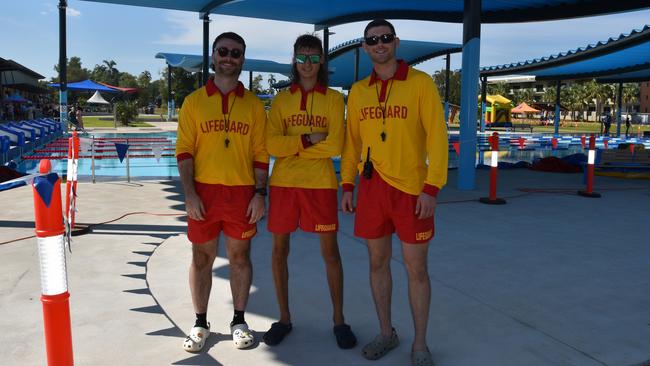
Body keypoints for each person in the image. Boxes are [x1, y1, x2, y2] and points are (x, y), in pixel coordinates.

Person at [340, 19, 448, 366]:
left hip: (412, 191)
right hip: (372, 189)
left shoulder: (420, 84)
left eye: (385, 38)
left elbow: (437, 138)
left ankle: (420, 345)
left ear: (396, 42)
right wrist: (346, 184)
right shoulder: (358, 92)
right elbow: (351, 143)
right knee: (377, 263)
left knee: (416, 269)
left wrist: (431, 187)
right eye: (372, 40)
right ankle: (387, 333)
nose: (379, 44)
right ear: (364, 47)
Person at [175, 31, 269, 353]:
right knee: (201, 257)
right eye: (223, 51)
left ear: (242, 59)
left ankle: (239, 321)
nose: (229, 57)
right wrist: (189, 193)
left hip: (242, 193)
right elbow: (185, 151)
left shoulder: (255, 105)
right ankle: (200, 323)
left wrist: (260, 193)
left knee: (240, 257)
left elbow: (260, 153)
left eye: (236, 52)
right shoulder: (194, 102)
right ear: (214, 57)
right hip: (203, 192)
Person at [263, 34, 357, 349]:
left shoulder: (333, 99)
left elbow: (336, 144)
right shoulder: (281, 100)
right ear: (294, 60)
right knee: (279, 252)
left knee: (331, 253)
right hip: (284, 186)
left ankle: (339, 320)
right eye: (301, 57)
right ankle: (284, 318)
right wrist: (306, 140)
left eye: (313, 57)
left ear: (321, 61)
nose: (307, 63)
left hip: (319, 185)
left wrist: (295, 149)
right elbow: (272, 145)